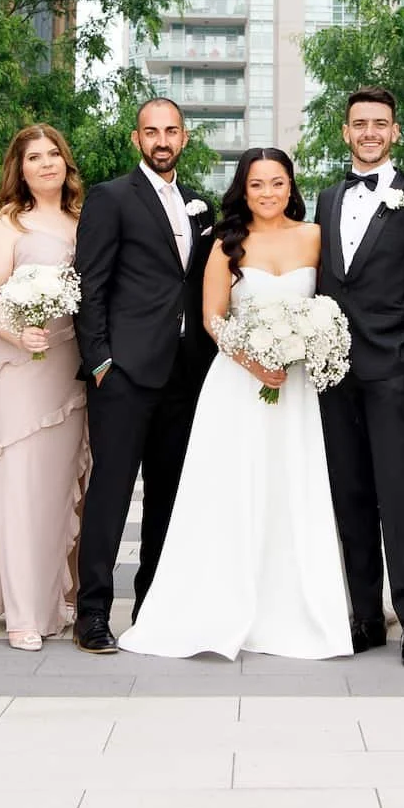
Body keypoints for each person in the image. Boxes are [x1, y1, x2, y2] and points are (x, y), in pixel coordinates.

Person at [121, 150, 354, 660]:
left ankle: (292, 609)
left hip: (295, 389)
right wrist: (253, 361)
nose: (268, 193)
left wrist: (309, 344)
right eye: (257, 184)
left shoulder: (314, 236)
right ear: (243, 191)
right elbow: (213, 317)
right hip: (237, 385)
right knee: (232, 491)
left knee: (290, 489)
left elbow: (329, 306)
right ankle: (217, 603)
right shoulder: (226, 243)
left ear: (291, 187)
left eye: (277, 183)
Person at [67, 99, 217, 653]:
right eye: (151, 131)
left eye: (171, 131)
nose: (161, 140)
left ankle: (151, 608)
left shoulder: (198, 205)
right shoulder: (110, 198)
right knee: (110, 495)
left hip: (185, 373)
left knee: (168, 498)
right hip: (125, 373)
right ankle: (92, 615)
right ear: (136, 139)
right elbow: (90, 284)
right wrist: (100, 361)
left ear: (184, 138)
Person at [313, 88, 404, 667]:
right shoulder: (326, 198)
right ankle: (365, 617)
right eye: (360, 123)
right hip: (332, 371)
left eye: (380, 123)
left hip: (390, 368)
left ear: (394, 132)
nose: (369, 132)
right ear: (346, 132)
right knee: (349, 496)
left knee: (398, 496)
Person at [0, 124, 90, 650]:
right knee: (20, 482)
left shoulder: (85, 219)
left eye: (53, 154)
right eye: (34, 157)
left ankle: (59, 596)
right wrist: (18, 332)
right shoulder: (7, 225)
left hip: (70, 362)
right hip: (20, 364)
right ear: (20, 169)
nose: (46, 164)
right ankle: (22, 612)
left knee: (64, 484)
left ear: (66, 162)